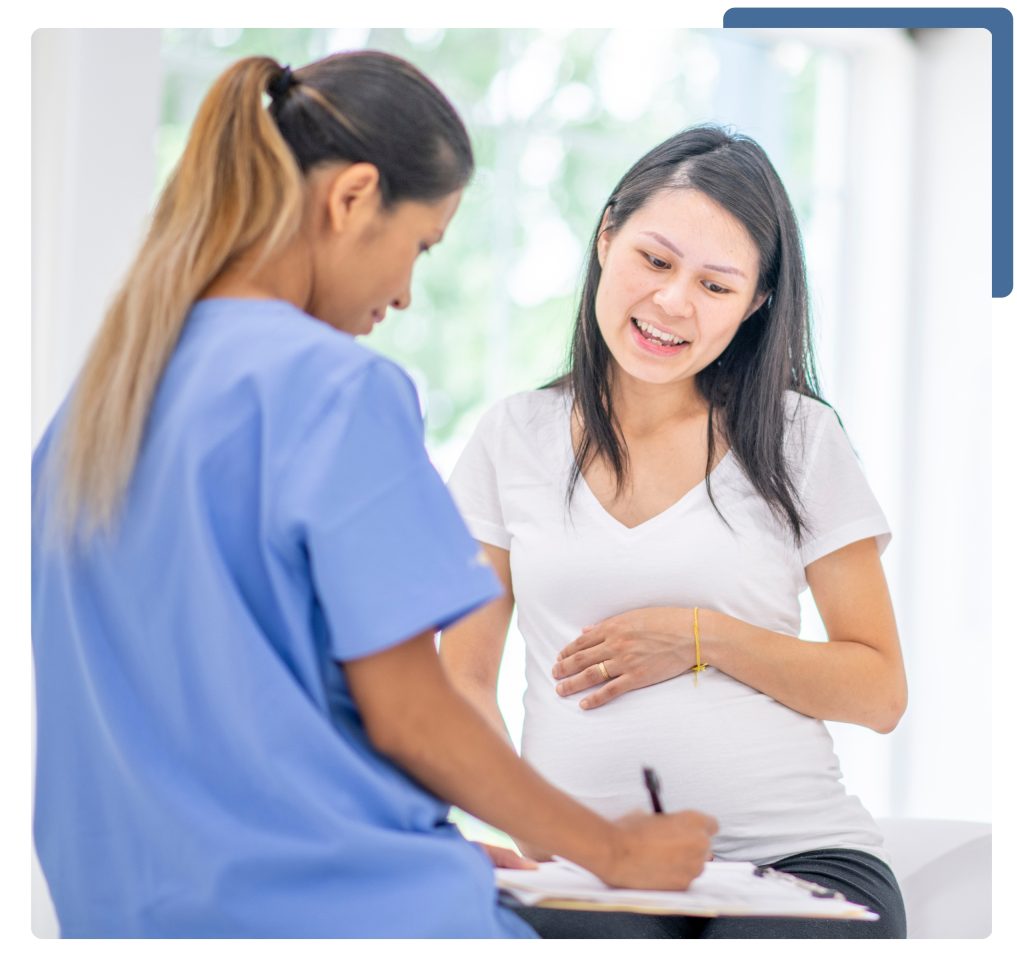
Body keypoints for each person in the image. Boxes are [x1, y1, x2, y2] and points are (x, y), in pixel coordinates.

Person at [30, 52, 717, 939]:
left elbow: (201, 723)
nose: (402, 294)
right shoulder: (332, 390)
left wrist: (411, 839)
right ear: (353, 197)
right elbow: (412, 716)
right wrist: (613, 851)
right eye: (420, 246)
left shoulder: (97, 403)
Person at [441, 125, 909, 939]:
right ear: (607, 237)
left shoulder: (800, 439)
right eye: (655, 261)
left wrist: (703, 637)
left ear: (757, 302)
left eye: (716, 285)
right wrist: (545, 833)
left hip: (796, 860)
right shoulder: (513, 436)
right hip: (585, 870)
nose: (671, 303)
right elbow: (463, 682)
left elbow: (879, 690)